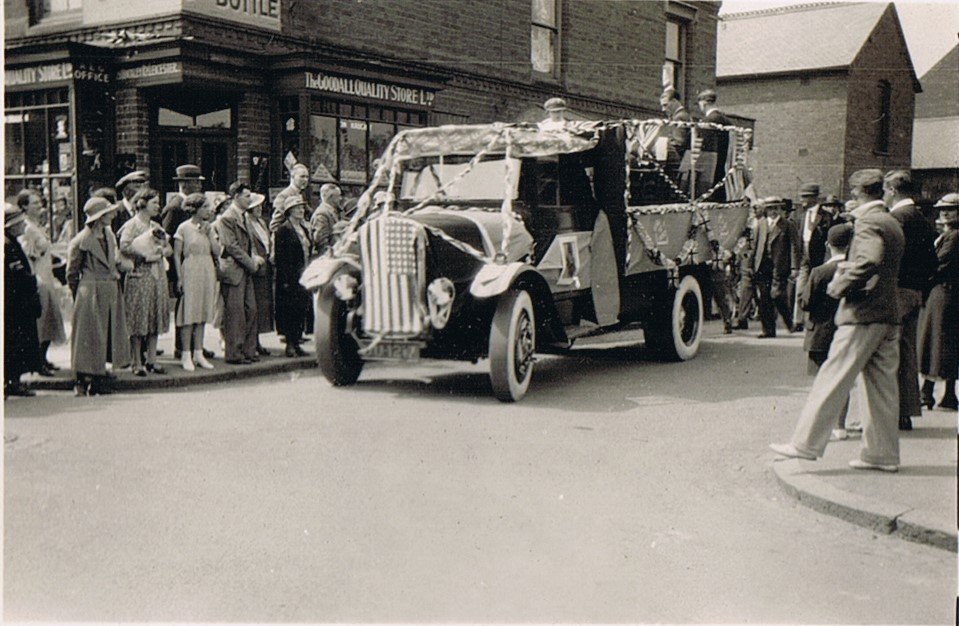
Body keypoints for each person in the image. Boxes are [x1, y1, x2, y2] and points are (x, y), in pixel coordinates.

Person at [770, 169, 905, 472]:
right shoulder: (890, 222)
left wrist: (837, 287)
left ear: (859, 193)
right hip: (887, 313)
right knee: (881, 386)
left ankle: (805, 444)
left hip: (862, 314)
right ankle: (882, 454)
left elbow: (868, 261)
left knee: (832, 377)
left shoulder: (869, 222)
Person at [883, 170, 938, 431]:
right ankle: (904, 412)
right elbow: (932, 263)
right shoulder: (923, 220)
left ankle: (889, 413)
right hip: (915, 294)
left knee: (887, 354)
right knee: (907, 354)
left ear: (892, 190)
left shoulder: (895, 219)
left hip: (895, 293)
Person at [66, 197, 132, 396]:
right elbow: (71, 272)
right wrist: (80, 292)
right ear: (99, 217)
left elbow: (114, 259)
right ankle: (82, 378)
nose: (112, 215)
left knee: (106, 334)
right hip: (90, 290)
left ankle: (99, 376)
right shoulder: (80, 241)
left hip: (109, 288)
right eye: (108, 213)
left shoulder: (109, 235)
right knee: (88, 335)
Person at [799, 223, 854, 440]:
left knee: (822, 384)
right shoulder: (854, 270)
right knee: (842, 382)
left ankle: (822, 428)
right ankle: (840, 426)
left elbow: (806, 302)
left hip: (820, 333)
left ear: (827, 245)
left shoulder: (820, 272)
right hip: (844, 331)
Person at [117, 188, 171, 376]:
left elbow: (168, 248)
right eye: (154, 202)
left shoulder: (156, 225)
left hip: (157, 275)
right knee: (138, 318)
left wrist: (163, 251)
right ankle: (136, 362)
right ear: (142, 204)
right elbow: (124, 246)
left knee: (154, 316)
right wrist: (143, 254)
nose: (158, 206)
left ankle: (152, 360)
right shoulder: (132, 225)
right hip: (139, 275)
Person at [16, 189, 66, 375]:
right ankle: (37, 363)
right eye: (34, 203)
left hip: (47, 276)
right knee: (41, 320)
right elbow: (28, 253)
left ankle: (43, 359)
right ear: (24, 207)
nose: (39, 206)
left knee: (49, 319)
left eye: (39, 202)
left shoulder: (37, 225)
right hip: (38, 279)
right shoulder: (27, 227)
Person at [918, 193, 958, 412]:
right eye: (942, 209)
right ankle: (943, 393)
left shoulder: (954, 236)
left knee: (937, 340)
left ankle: (929, 392)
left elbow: (940, 264)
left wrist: (921, 274)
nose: (944, 212)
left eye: (950, 209)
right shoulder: (947, 234)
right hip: (943, 292)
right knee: (941, 341)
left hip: (944, 292)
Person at [215, 182, 263, 365]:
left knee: (251, 310)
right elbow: (231, 246)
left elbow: (248, 243)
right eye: (247, 196)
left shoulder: (243, 216)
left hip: (244, 270)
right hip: (234, 270)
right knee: (235, 314)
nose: (250, 199)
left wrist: (253, 258)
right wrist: (251, 263)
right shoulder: (227, 218)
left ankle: (248, 350)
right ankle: (234, 353)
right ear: (236, 197)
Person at [173, 193, 220, 371]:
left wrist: (209, 234)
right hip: (190, 268)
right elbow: (177, 255)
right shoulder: (183, 228)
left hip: (206, 267)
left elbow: (217, 251)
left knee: (202, 311)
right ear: (195, 209)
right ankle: (186, 354)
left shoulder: (210, 228)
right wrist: (179, 277)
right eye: (205, 207)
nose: (209, 210)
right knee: (189, 312)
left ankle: (198, 352)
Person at [4, 203, 42, 397]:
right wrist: (32, 280)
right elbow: (16, 273)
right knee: (15, 343)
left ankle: (13, 380)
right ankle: (13, 381)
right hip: (16, 302)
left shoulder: (11, 242)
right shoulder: (7, 244)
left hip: (18, 301)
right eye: (18, 223)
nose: (22, 227)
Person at [749, 196, 800, 337]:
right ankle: (768, 330)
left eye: (776, 208)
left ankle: (789, 322)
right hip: (763, 266)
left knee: (777, 295)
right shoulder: (761, 224)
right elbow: (755, 246)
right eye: (770, 208)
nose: (773, 211)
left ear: (781, 209)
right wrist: (751, 264)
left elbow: (795, 247)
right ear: (766, 210)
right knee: (764, 299)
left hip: (780, 265)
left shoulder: (788, 225)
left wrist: (795, 268)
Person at [791, 183, 838, 332]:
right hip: (804, 256)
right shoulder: (800, 215)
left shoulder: (826, 216)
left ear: (814, 198)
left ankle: (813, 319)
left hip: (819, 257)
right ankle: (797, 320)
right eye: (801, 196)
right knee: (800, 288)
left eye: (805, 196)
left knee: (817, 289)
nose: (802, 199)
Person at [274, 195, 313, 357]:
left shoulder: (303, 229)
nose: (301, 211)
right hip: (289, 278)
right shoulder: (283, 230)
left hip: (303, 275)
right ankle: (290, 343)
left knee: (300, 309)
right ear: (289, 211)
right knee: (289, 310)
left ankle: (296, 342)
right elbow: (280, 257)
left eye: (302, 208)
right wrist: (285, 280)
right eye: (297, 208)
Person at [248, 192, 274, 355]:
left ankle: (257, 340)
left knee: (263, 306)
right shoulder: (247, 223)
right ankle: (252, 341)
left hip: (266, 267)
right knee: (254, 306)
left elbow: (267, 240)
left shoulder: (262, 223)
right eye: (256, 206)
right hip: (255, 268)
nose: (259, 209)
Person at [694, 89, 731, 200]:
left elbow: (704, 149)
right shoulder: (726, 120)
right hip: (723, 167)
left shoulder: (708, 121)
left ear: (703, 103)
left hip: (710, 171)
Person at [269, 163, 310, 232]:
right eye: (302, 176)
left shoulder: (302, 194)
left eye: (307, 177)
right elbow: (274, 225)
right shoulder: (284, 196)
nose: (305, 180)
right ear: (292, 177)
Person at [659, 88, 692, 175]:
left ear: (674, 101)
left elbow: (678, 142)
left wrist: (663, 144)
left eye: (665, 105)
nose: (663, 109)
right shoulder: (683, 115)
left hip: (676, 161)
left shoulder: (679, 117)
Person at [310, 183, 343, 256]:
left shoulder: (334, 211)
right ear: (330, 197)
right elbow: (322, 242)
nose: (340, 198)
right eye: (338, 196)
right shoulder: (321, 214)